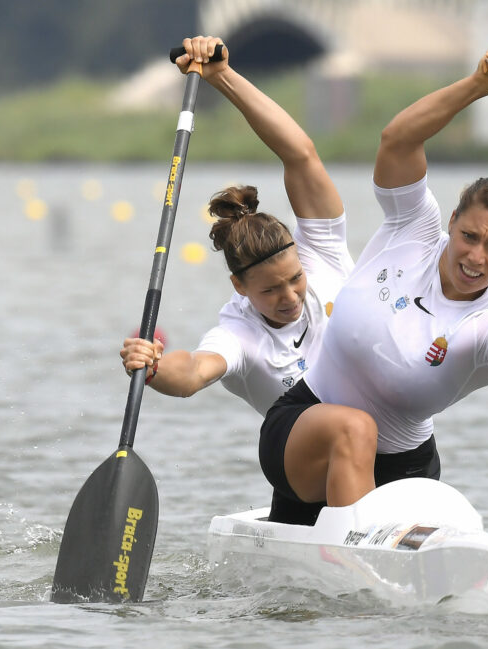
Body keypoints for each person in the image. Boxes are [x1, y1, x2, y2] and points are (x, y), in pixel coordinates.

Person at [259, 48, 488, 525]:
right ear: (452, 221)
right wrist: (478, 84)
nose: (476, 257)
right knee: (355, 427)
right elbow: (397, 140)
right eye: (469, 236)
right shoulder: (412, 228)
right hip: (302, 431)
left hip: (404, 467)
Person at [120, 36, 376, 524]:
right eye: (270, 291)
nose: (290, 297)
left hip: (379, 445)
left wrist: (222, 77)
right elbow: (193, 372)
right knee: (350, 426)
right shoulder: (239, 333)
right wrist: (151, 367)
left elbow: (300, 154)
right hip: (306, 474)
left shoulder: (322, 254)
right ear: (240, 288)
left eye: (294, 280)